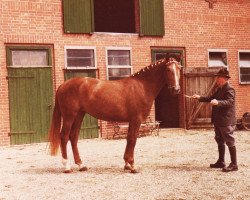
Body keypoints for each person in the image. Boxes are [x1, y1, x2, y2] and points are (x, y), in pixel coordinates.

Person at [192, 68, 238, 172]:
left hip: (226, 120)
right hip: (218, 120)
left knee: (229, 141)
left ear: (223, 78)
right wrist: (199, 97)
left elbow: (230, 102)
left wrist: (218, 102)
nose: (216, 79)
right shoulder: (220, 89)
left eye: (218, 77)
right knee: (219, 140)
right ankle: (221, 161)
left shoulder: (229, 88)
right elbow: (210, 98)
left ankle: (234, 164)